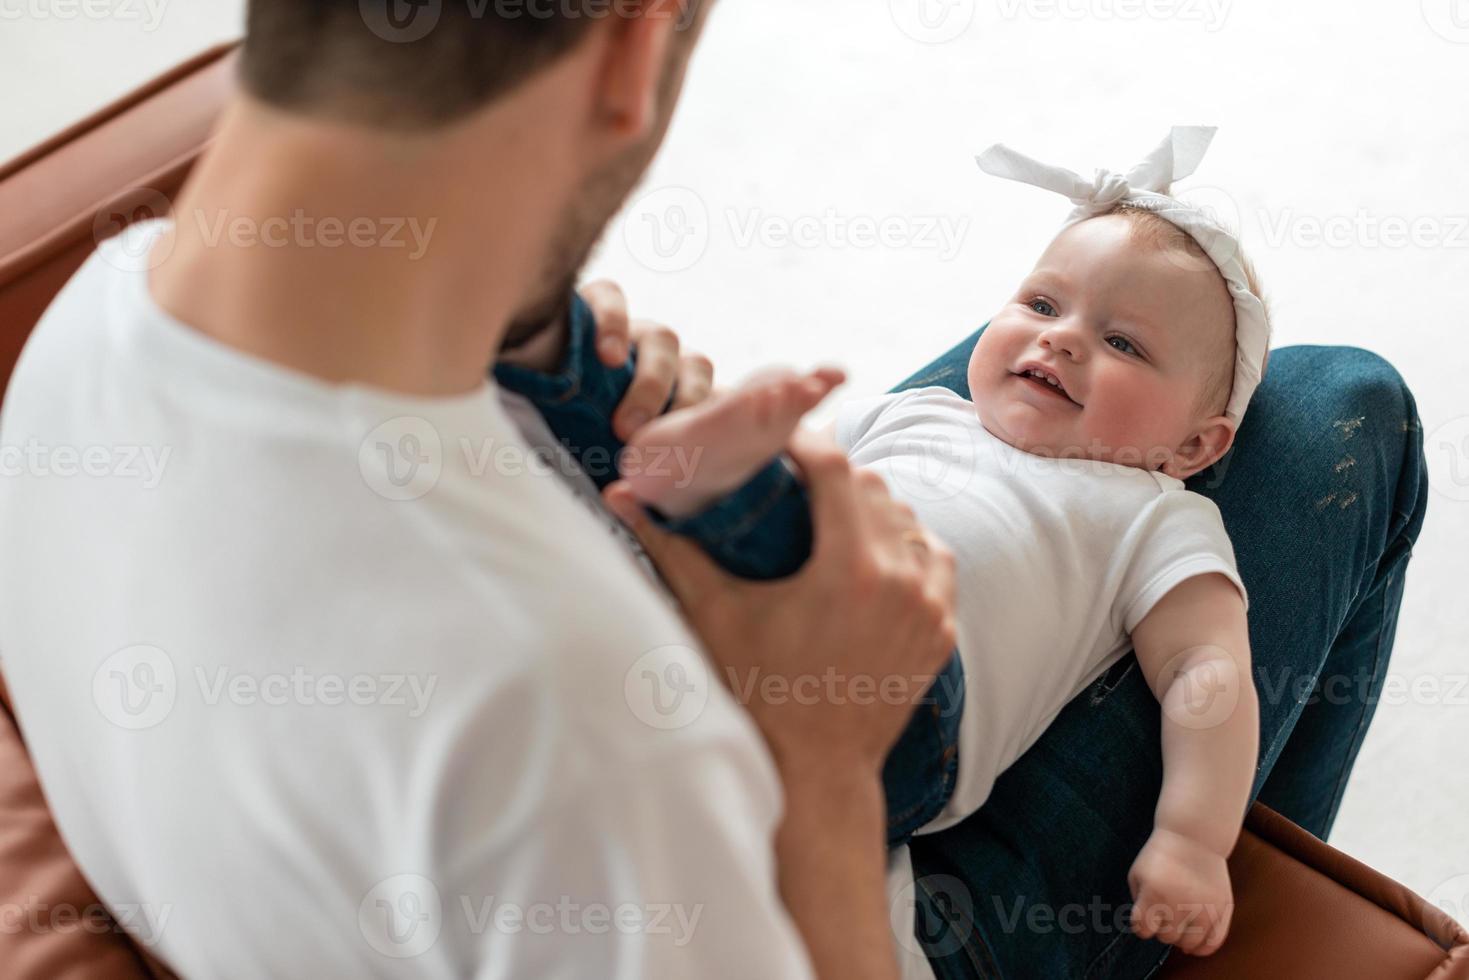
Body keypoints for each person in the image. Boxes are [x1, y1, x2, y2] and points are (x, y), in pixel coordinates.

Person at [0, 5, 1427, 980]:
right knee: (1334, 402)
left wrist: (619, 434)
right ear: (631, 46)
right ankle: (1205, 907)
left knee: (993, 402)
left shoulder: (87, 327)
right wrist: (819, 760)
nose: (1057, 335)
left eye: (1099, 329)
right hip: (879, 869)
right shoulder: (590, 753)